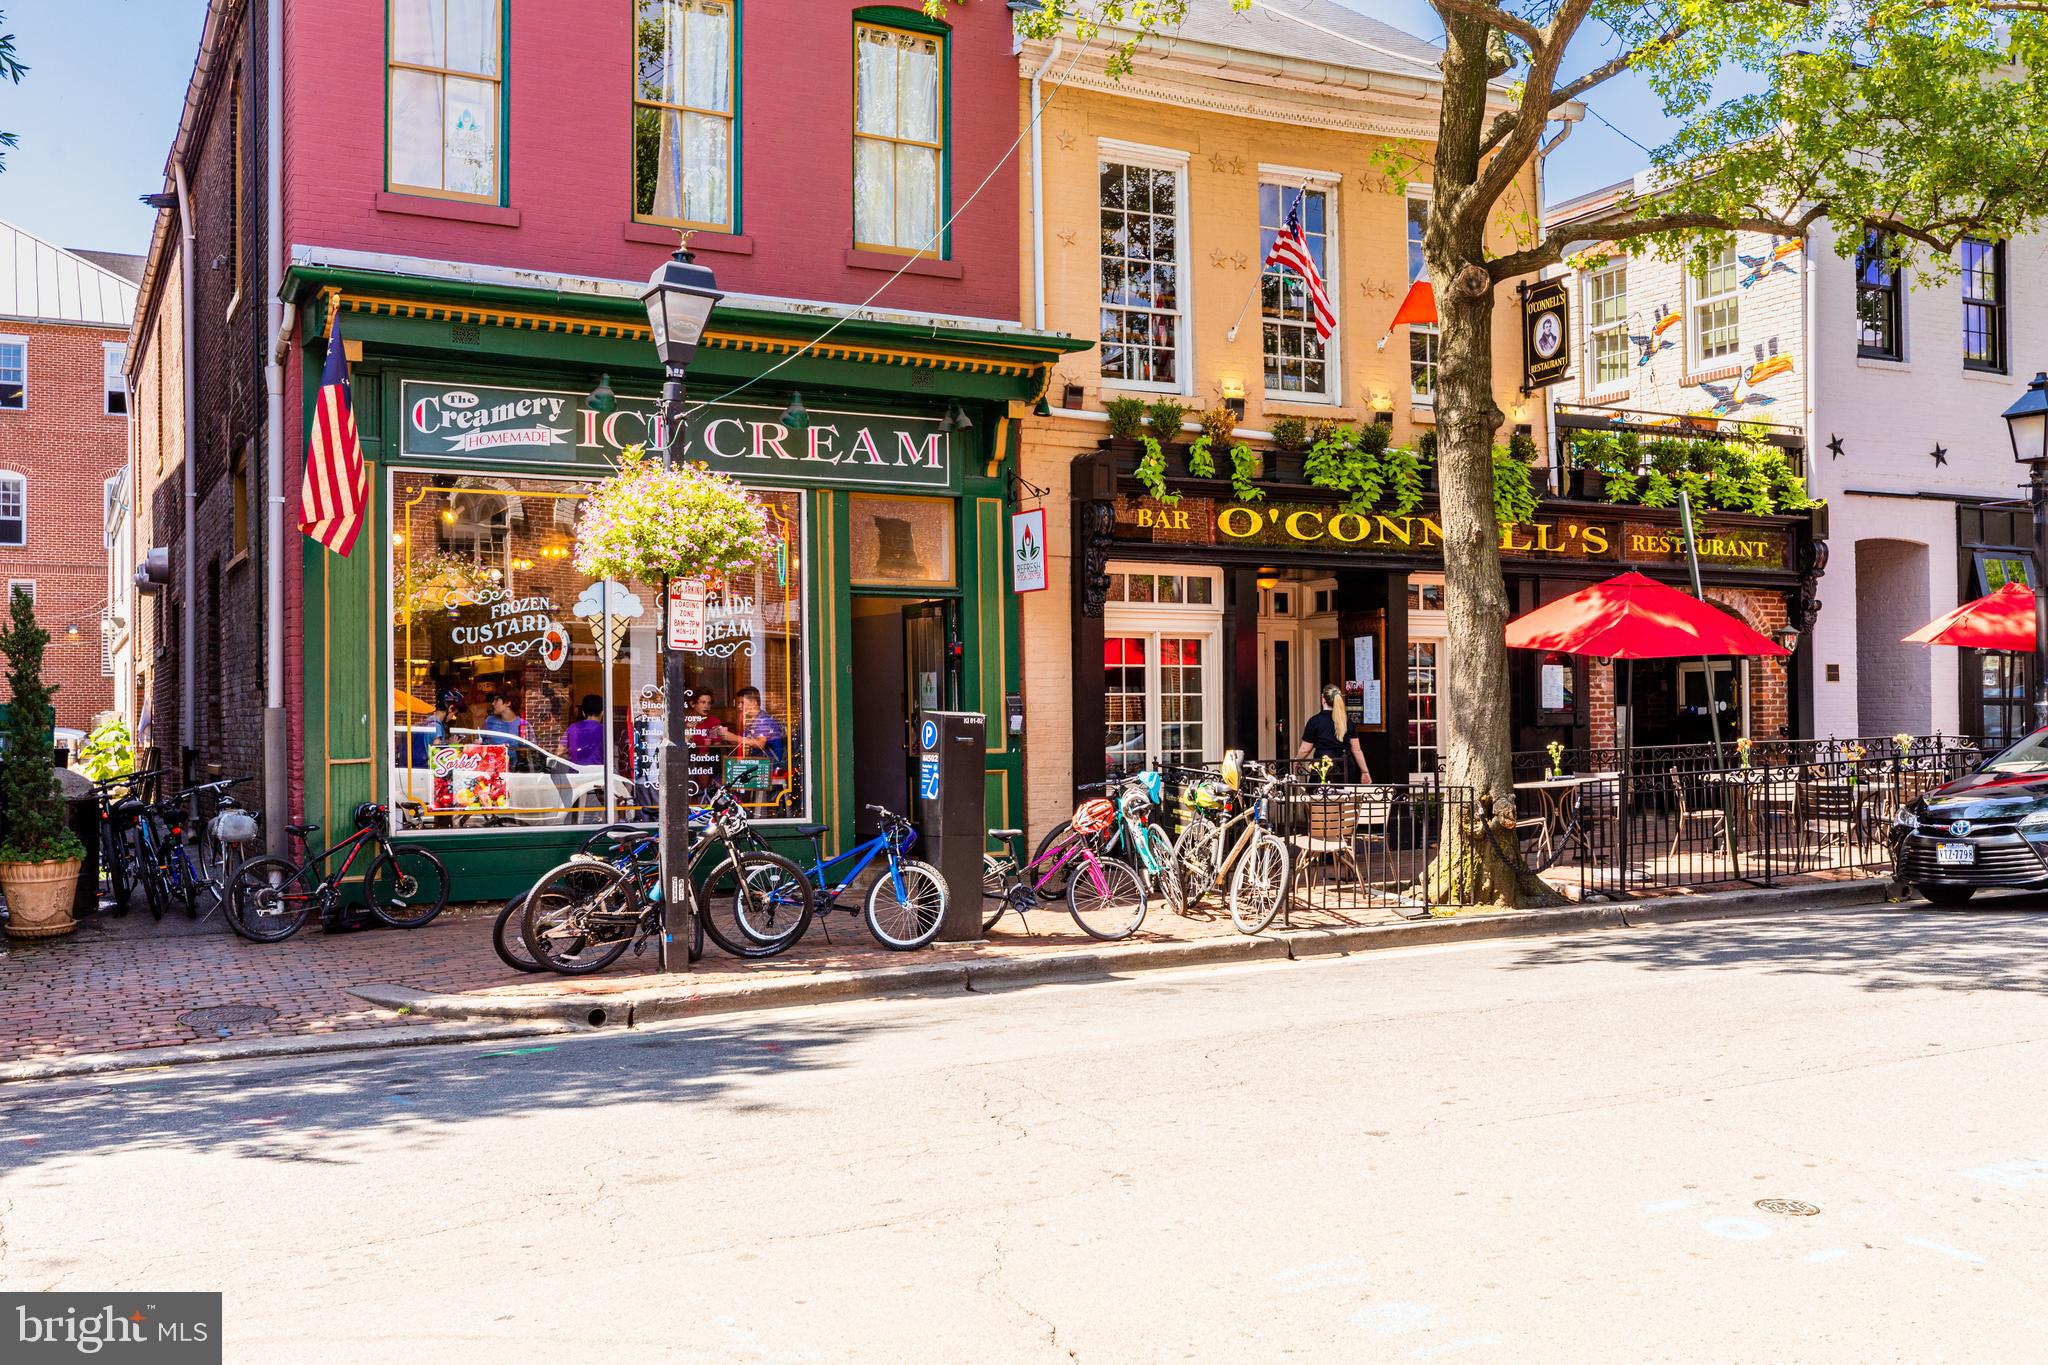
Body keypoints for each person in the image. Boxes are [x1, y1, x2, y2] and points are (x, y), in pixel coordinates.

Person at [1297, 684, 1370, 782]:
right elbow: (1356, 750)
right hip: (1345, 765)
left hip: (1324, 764)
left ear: (1323, 699)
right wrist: (1365, 772)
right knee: (1344, 795)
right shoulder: (1347, 722)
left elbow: (1305, 749)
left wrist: (1297, 760)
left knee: (1319, 795)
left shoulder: (1315, 721)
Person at [735, 686, 788, 770]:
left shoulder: (763, 720)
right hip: (758, 766)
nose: (739, 706)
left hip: (769, 769)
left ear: (754, 703)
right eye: (738, 703)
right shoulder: (752, 720)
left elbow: (760, 744)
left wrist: (731, 736)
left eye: (742, 703)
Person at [561, 693, 606, 766]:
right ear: (602, 712)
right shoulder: (605, 730)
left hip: (575, 773)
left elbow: (559, 752)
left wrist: (572, 757)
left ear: (583, 712)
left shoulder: (572, 728)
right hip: (597, 774)